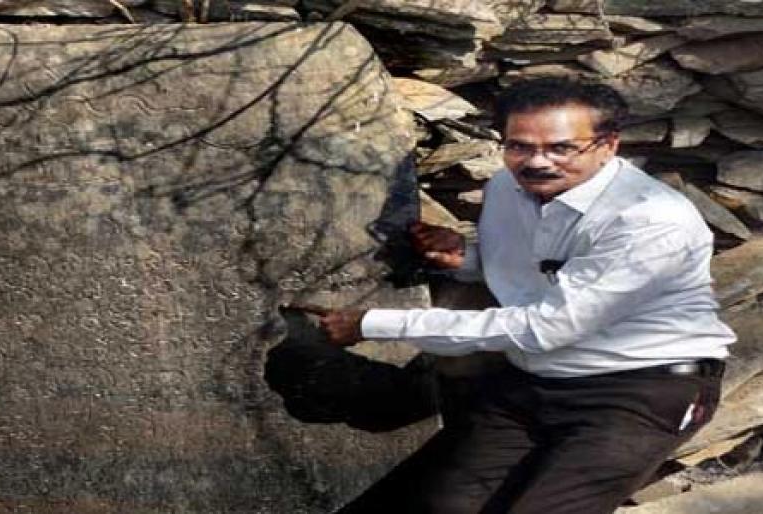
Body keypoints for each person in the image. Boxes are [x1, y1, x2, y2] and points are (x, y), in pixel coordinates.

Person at [301, 77, 737, 513]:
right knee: (437, 503)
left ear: (608, 145)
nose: (537, 162)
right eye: (519, 146)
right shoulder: (505, 189)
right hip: (535, 380)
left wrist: (373, 324)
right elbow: (541, 270)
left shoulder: (649, 218)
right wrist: (466, 259)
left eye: (561, 148)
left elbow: (548, 325)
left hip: (640, 387)